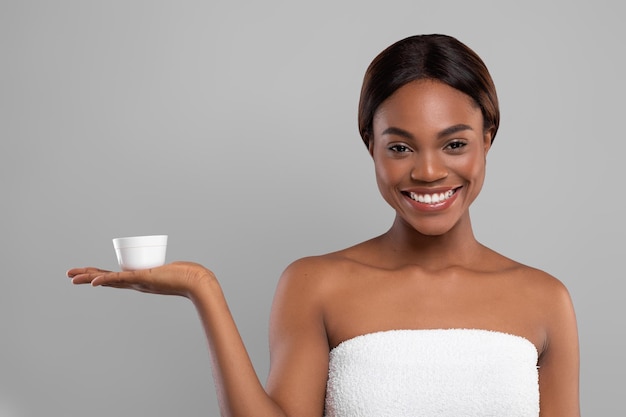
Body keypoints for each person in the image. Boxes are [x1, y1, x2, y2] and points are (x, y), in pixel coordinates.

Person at [67, 34, 580, 417]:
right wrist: (203, 291)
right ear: (370, 146)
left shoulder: (544, 299)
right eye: (400, 147)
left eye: (455, 143)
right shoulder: (315, 284)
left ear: (488, 138)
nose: (427, 171)